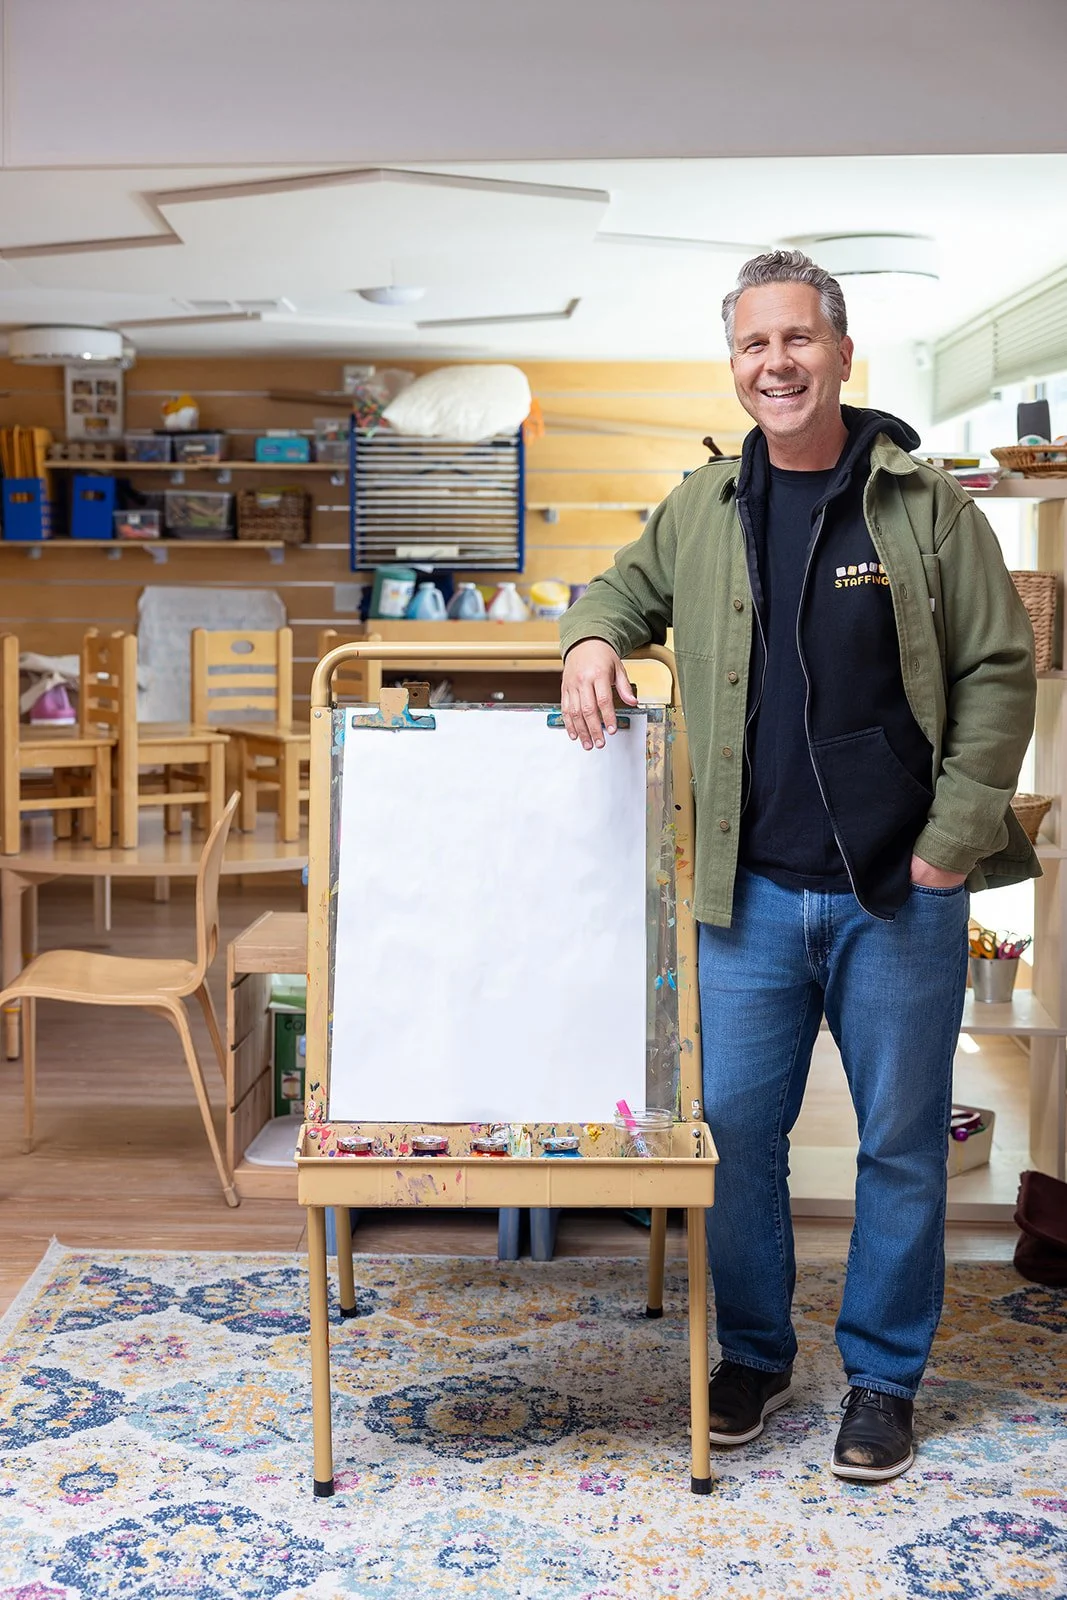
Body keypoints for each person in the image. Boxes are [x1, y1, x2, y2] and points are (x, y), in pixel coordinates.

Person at [559, 249, 1038, 1482]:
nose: (773, 363)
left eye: (795, 339)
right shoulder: (703, 504)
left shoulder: (924, 508)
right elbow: (618, 590)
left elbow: (996, 672)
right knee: (733, 1136)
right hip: (747, 894)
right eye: (751, 344)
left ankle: (881, 1379)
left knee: (899, 1144)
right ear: (734, 364)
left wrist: (950, 842)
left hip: (898, 895)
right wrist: (589, 640)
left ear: (838, 351)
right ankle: (755, 1356)